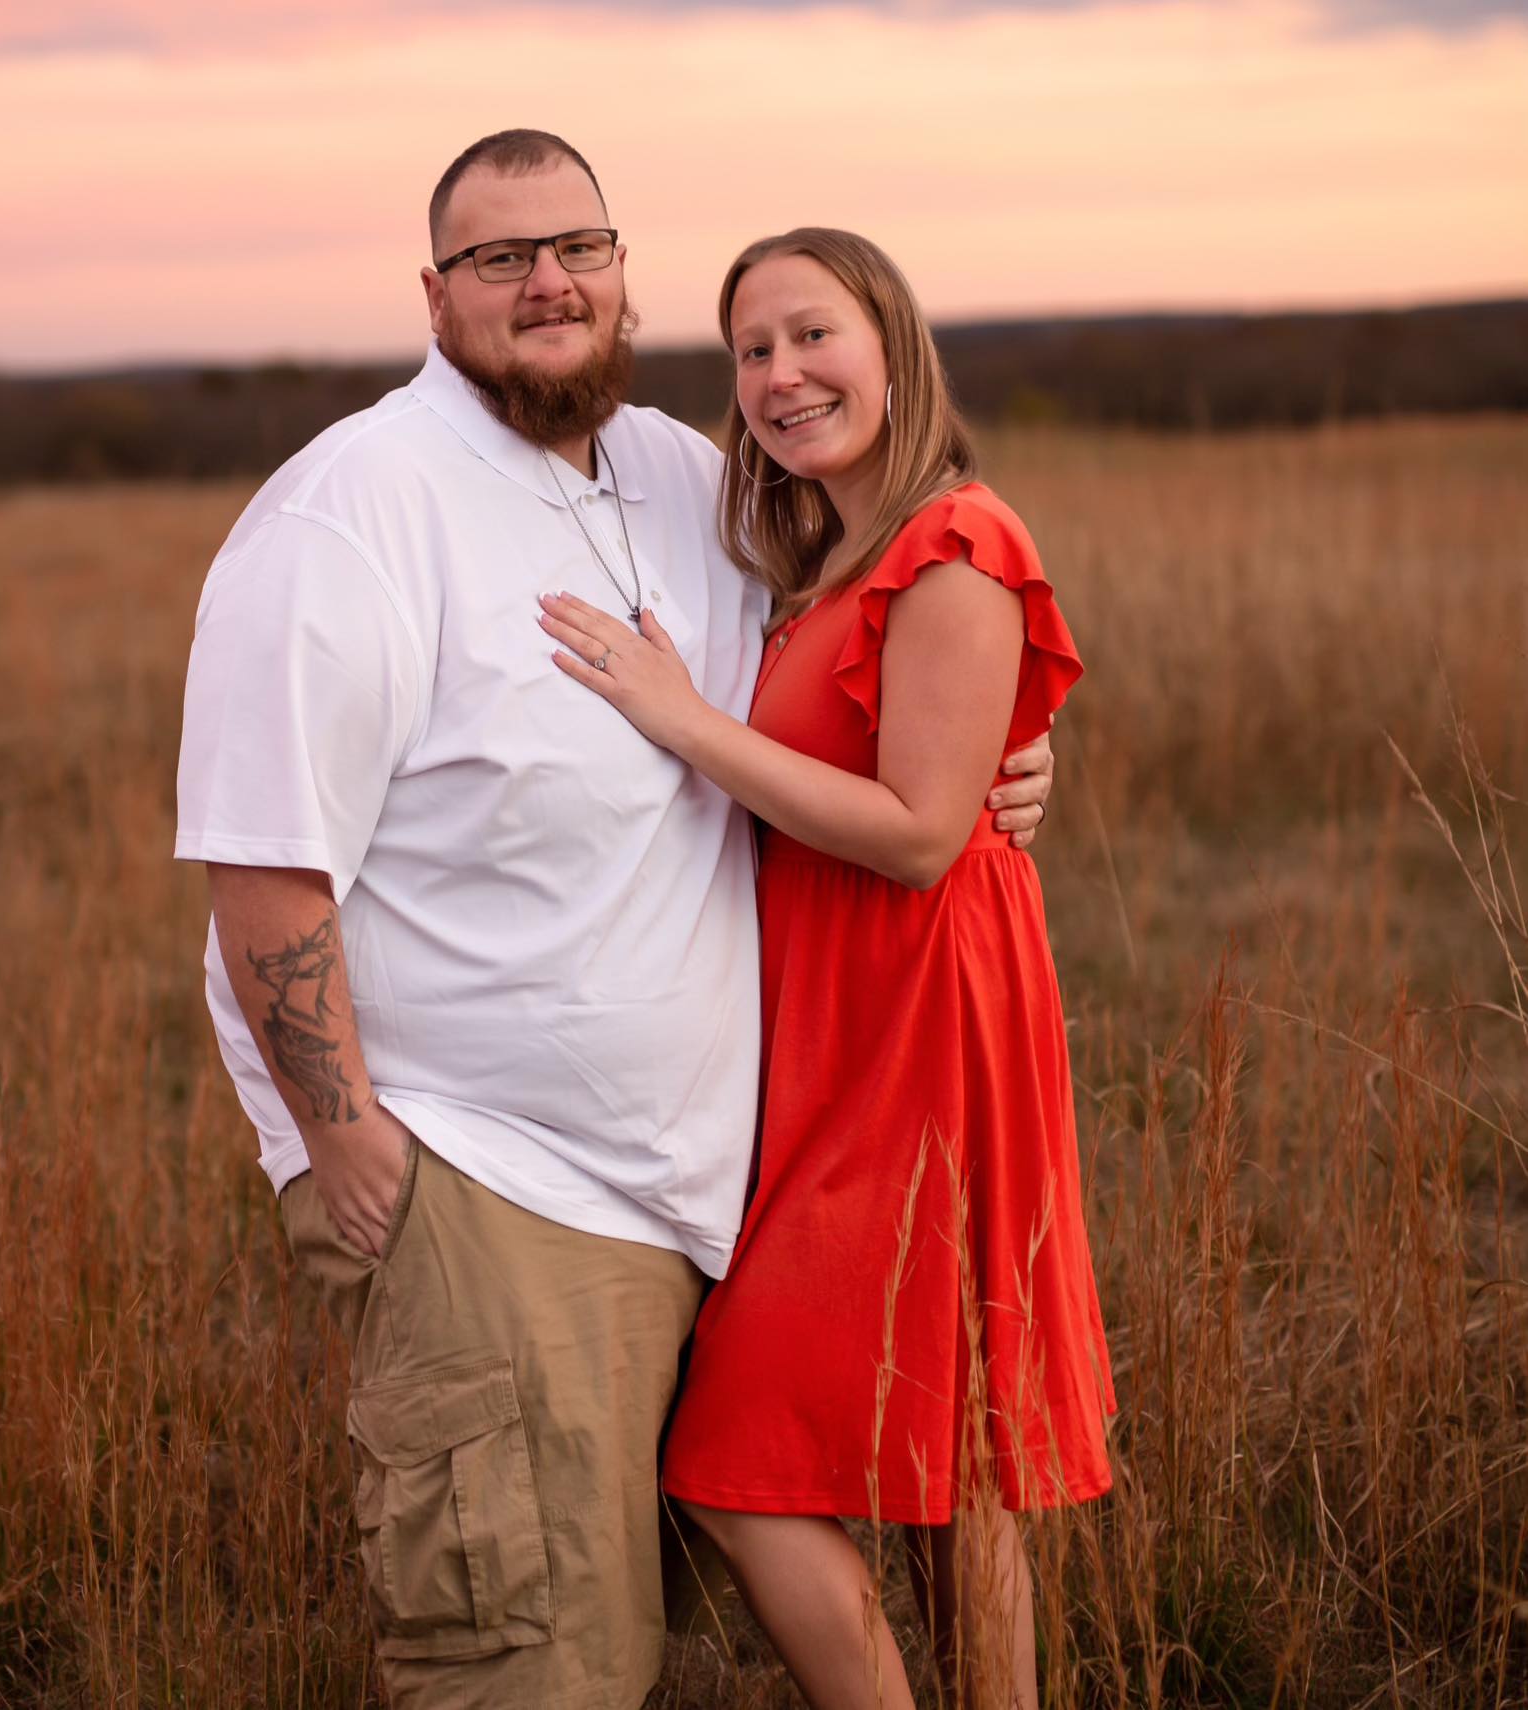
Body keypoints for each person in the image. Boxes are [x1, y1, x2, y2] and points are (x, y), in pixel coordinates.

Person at [175, 133, 1055, 1708]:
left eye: (577, 246)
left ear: (621, 268)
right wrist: (343, 1129)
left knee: (840, 1508)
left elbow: (882, 648)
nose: (547, 282)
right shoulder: (350, 513)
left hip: (729, 1173)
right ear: (434, 293)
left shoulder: (677, 473)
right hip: (498, 1178)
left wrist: (1002, 760)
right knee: (541, 1654)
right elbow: (262, 862)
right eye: (500, 258)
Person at [537, 227, 1116, 1710]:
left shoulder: (955, 539)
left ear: (891, 347)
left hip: (918, 1026)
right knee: (943, 1440)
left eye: (812, 335)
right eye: (752, 350)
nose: (782, 375)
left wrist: (683, 719)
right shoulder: (819, 562)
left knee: (743, 1453)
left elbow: (920, 835)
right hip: (838, 1025)